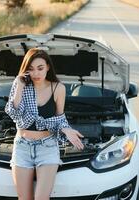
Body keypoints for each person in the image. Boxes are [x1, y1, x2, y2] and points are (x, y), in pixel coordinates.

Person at [5, 48, 84, 200]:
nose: (36, 73)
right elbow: (14, 113)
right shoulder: (20, 84)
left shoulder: (58, 88)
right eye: (31, 69)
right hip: (22, 146)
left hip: (47, 147)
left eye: (40, 68)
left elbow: (60, 118)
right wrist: (19, 86)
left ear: (48, 66)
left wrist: (67, 130)